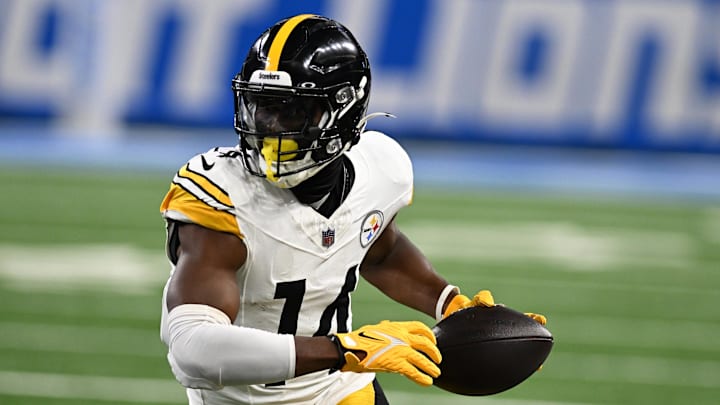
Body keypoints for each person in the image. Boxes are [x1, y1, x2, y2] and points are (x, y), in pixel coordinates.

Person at [159, 14, 545, 405]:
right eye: (262, 107)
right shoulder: (221, 197)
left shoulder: (379, 170)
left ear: (343, 111)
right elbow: (193, 352)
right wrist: (345, 350)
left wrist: (448, 303)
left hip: (340, 391)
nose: (271, 129)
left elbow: (381, 250)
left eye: (291, 112)